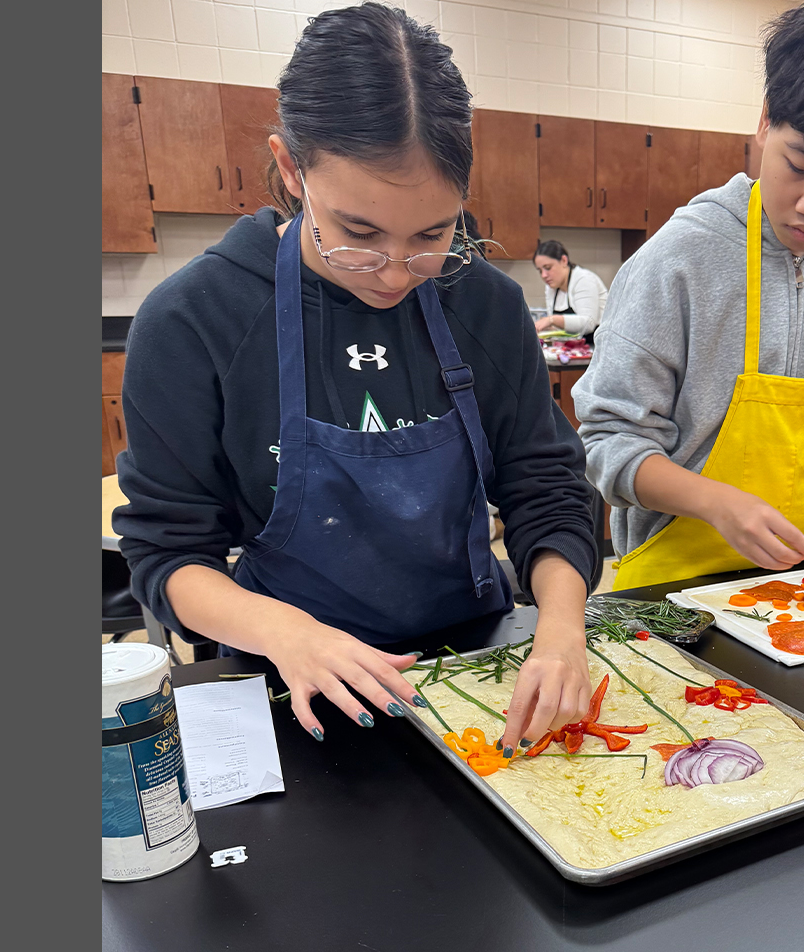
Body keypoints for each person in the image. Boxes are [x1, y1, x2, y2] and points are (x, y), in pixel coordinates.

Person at [112, 3, 596, 753]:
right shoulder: (195, 320)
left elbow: (547, 490)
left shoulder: (483, 303)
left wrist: (562, 631)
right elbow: (168, 552)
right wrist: (287, 633)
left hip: (482, 665)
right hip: (289, 682)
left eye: (433, 235)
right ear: (289, 168)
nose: (397, 274)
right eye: (359, 235)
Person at [571, 0, 804, 591]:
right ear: (766, 121)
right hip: (671, 591)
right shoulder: (679, 260)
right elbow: (610, 445)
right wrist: (718, 503)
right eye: (799, 166)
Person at [531, 240, 608, 339]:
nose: (544, 275)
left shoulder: (583, 279)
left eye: (548, 268)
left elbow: (588, 324)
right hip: (572, 349)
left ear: (564, 260)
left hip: (596, 345)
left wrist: (551, 320)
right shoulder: (551, 287)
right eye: (540, 270)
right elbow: (558, 329)